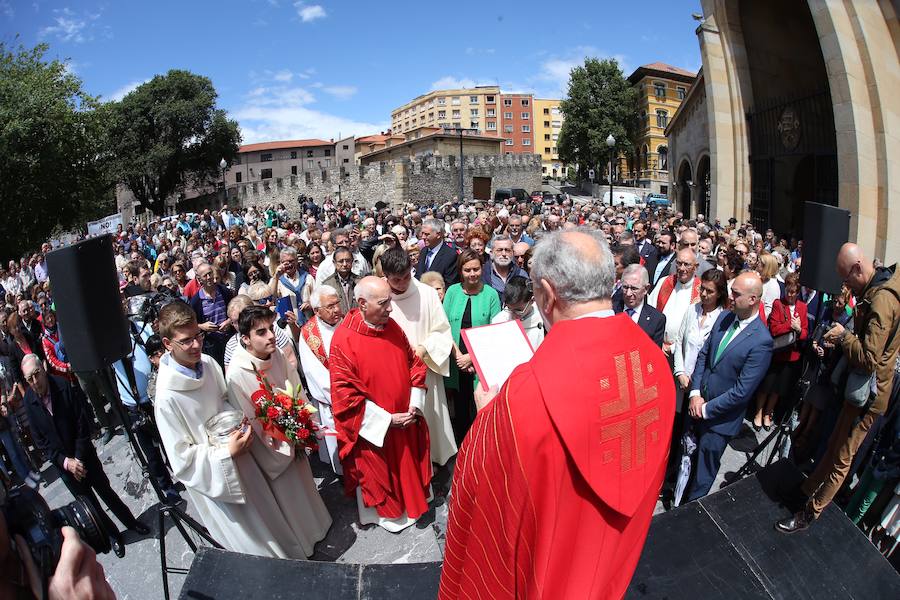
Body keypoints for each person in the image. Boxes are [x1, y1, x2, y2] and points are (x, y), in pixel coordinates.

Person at [439, 228, 675, 599]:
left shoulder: (525, 394)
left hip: (552, 566)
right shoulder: (654, 364)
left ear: (547, 294)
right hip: (616, 557)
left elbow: (483, 492)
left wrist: (487, 416)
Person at [778, 243, 900, 533]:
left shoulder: (882, 300)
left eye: (847, 279)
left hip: (867, 397)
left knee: (841, 459)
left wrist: (845, 336)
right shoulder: (876, 288)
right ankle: (807, 490)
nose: (846, 286)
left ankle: (810, 513)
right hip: (858, 391)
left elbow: (870, 358)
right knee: (833, 446)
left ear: (858, 268)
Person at [224, 305, 332, 557]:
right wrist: (284, 440)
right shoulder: (237, 374)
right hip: (272, 449)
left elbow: (294, 386)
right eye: (260, 332)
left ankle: (319, 525)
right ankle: (303, 542)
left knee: (305, 486)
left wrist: (302, 422)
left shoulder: (277, 355)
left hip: (292, 435)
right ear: (245, 339)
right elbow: (249, 419)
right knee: (289, 498)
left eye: (270, 328)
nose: (271, 336)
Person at [329, 277, 432, 532]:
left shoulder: (392, 326)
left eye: (390, 302)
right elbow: (345, 397)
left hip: (406, 417)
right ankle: (388, 514)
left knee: (408, 466)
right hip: (377, 431)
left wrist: (414, 403)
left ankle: (413, 502)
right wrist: (386, 420)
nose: (390, 309)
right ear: (362, 304)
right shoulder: (343, 341)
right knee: (383, 473)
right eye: (383, 303)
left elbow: (413, 363)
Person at [22, 355, 149, 558]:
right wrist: (66, 462)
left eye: (37, 374)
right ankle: (113, 536)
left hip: (84, 456)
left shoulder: (63, 386)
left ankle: (132, 522)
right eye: (30, 378)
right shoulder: (29, 402)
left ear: (43, 369)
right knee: (89, 504)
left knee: (106, 492)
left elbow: (82, 423)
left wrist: (78, 458)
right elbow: (41, 443)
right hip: (65, 466)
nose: (35, 381)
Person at [685, 272, 773, 501]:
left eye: (736, 293)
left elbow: (742, 392)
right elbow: (704, 356)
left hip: (719, 422)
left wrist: (705, 409)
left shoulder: (761, 341)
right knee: (685, 461)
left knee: (702, 476)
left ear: (753, 299)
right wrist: (695, 394)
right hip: (696, 405)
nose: (730, 297)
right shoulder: (724, 317)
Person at [382, 247, 457, 466]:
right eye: (396, 280)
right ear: (385, 276)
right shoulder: (380, 295)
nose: (403, 283)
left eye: (407, 276)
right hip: (393, 371)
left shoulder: (427, 293)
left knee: (430, 419)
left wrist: (423, 349)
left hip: (424, 367)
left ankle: (434, 459)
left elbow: (442, 330)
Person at [443, 249, 501, 444]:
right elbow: (444, 326)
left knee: (479, 409)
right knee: (459, 410)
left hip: (480, 363)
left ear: (482, 268)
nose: (472, 274)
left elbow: (494, 332)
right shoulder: (452, 292)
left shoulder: (491, 294)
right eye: (467, 270)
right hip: (456, 361)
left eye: (476, 269)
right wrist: (459, 356)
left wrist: (471, 358)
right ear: (461, 271)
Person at [298, 285, 344, 474]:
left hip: (358, 396)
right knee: (340, 450)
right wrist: (341, 398)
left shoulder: (347, 322)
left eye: (337, 304)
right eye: (330, 306)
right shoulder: (309, 336)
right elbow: (314, 374)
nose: (336, 310)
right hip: (333, 402)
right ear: (316, 311)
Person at [752, 272, 808, 431]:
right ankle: (759, 411)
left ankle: (768, 413)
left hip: (791, 356)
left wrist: (799, 329)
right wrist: (791, 325)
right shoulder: (778, 304)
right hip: (777, 353)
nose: (790, 295)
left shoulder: (803, 307)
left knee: (778, 389)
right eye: (788, 291)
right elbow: (775, 329)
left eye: (793, 292)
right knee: (767, 386)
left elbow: (805, 333)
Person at [649, 247, 701, 355]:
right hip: (657, 347)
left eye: (686, 264)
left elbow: (697, 329)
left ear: (695, 267)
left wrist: (672, 348)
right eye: (679, 263)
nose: (681, 268)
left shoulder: (700, 291)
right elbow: (650, 312)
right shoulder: (664, 282)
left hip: (682, 353)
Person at [188, 262, 235, 368]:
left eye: (210, 273)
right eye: (205, 275)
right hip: (211, 344)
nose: (209, 277)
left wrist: (229, 321)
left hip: (228, 339)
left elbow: (235, 311)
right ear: (199, 279)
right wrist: (202, 326)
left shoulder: (224, 292)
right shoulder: (196, 301)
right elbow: (191, 324)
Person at [617, 264, 666, 348]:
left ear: (646, 289)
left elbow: (654, 355)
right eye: (625, 287)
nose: (628, 293)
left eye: (634, 288)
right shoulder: (611, 311)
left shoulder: (656, 319)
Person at [491, 275, 545, 349]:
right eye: (509, 309)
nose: (514, 315)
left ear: (532, 300)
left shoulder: (544, 320)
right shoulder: (499, 321)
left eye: (518, 310)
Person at [483, 234, 529, 300]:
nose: (504, 254)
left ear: (513, 253)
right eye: (499, 250)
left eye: (507, 250)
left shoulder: (521, 274)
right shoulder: (482, 274)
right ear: (491, 253)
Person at [415, 218, 459, 286]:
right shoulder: (424, 251)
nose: (423, 237)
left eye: (427, 234)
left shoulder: (451, 255)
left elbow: (450, 283)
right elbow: (418, 275)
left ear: (438, 235)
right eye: (422, 233)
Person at [322, 247, 359, 315]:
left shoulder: (360, 282)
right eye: (341, 261)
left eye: (348, 260)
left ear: (352, 261)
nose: (344, 264)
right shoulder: (327, 284)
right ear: (334, 263)